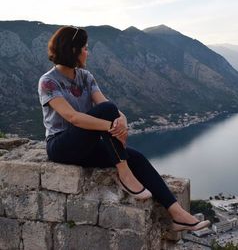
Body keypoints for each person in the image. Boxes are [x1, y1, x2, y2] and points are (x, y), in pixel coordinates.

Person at [38, 26, 210, 232]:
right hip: (61, 146)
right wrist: (111, 125)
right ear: (73, 50)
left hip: (85, 145)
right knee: (109, 114)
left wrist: (122, 120)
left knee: (136, 157)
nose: (88, 52)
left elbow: (106, 105)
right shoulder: (48, 81)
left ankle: (177, 214)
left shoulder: (85, 76)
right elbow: (72, 117)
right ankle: (125, 174)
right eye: (85, 48)